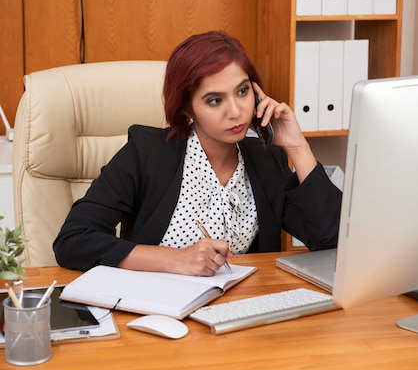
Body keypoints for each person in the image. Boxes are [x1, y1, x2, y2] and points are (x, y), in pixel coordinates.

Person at [53, 30, 341, 276]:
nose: (236, 111)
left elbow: (332, 241)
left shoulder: (265, 160)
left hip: (241, 315)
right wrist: (175, 259)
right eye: (215, 100)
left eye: (242, 92)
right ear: (187, 108)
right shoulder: (147, 154)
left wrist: (297, 147)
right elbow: (73, 241)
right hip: (156, 316)